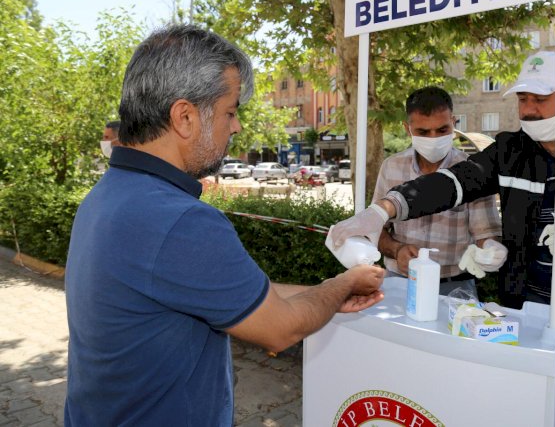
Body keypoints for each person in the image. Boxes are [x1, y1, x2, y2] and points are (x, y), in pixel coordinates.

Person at [328, 51, 555, 426]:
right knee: (524, 413)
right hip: (529, 316)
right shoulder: (511, 149)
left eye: (540, 100)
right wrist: (384, 209)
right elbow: (455, 182)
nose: (527, 111)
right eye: (523, 99)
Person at [65, 25, 385, 426]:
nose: (235, 127)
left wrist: (330, 295)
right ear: (184, 117)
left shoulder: (111, 194)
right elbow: (280, 329)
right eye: (230, 112)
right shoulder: (180, 221)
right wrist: (342, 283)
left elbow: (242, 294)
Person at [373, 86, 504, 296]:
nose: (433, 138)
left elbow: (486, 233)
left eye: (442, 130)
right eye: (423, 132)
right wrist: (397, 250)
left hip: (455, 287)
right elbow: (376, 228)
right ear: (407, 129)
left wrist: (491, 250)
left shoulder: (473, 171)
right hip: (399, 282)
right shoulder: (392, 167)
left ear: (453, 122)